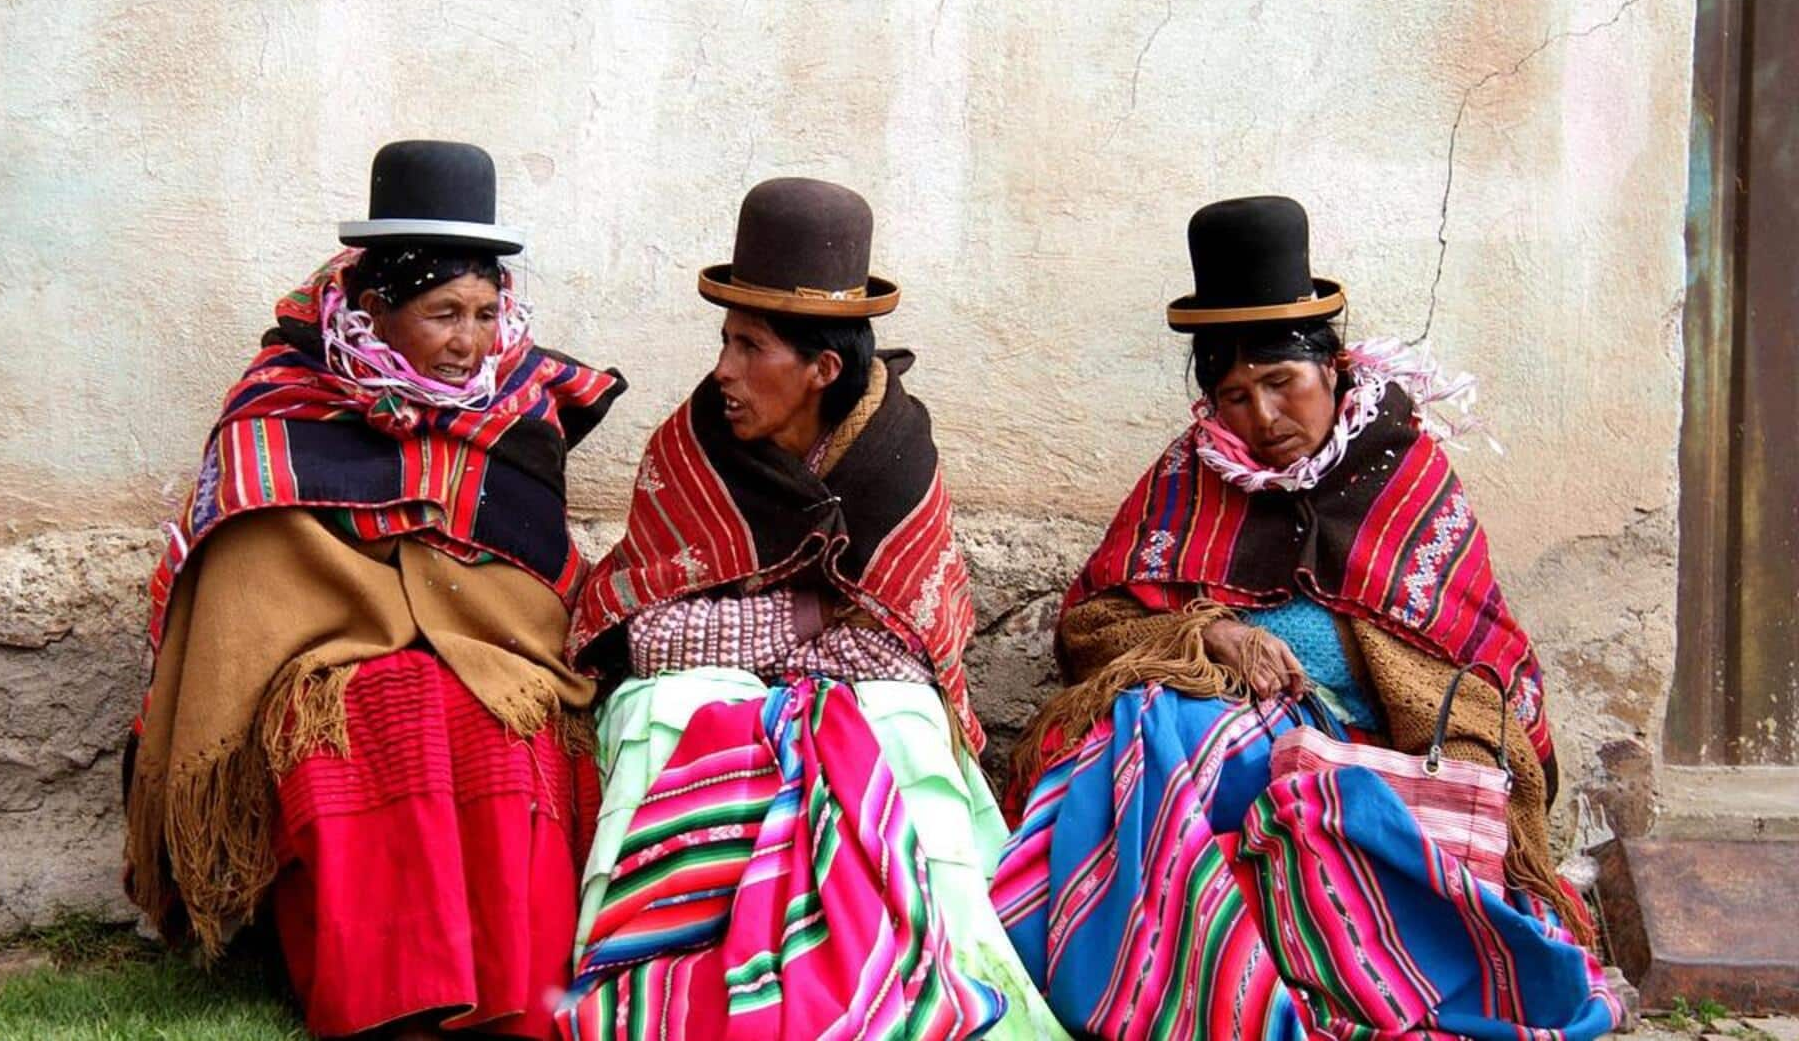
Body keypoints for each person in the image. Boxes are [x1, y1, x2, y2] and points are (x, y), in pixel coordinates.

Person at [993, 196, 1623, 1040]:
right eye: (1234, 396)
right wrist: (1209, 632)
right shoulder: (1189, 474)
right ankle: (1144, 978)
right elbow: (1094, 625)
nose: (1261, 419)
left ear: (1333, 368)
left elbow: (1468, 665)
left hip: (1365, 751)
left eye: (1282, 383)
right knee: (1146, 723)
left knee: (1188, 741)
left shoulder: (1407, 475)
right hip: (1215, 736)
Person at [123, 140, 626, 1039]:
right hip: (326, 654)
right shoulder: (283, 398)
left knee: (500, 728)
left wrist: (446, 609)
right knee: (378, 714)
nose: (467, 341)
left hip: (492, 647)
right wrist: (381, 607)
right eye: (441, 314)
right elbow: (250, 562)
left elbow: (531, 570)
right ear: (371, 309)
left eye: (482, 312)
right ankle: (391, 1001)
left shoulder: (519, 402)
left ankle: (516, 997)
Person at [556, 178, 1067, 1039]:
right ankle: (658, 997)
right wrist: (808, 623)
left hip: (848, 692)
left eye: (750, 347)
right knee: (662, 710)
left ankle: (921, 988)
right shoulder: (692, 449)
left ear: (824, 369)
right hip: (709, 686)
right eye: (724, 340)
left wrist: (770, 663)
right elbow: (646, 635)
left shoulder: (896, 458)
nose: (722, 370)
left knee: (903, 724)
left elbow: (908, 652)